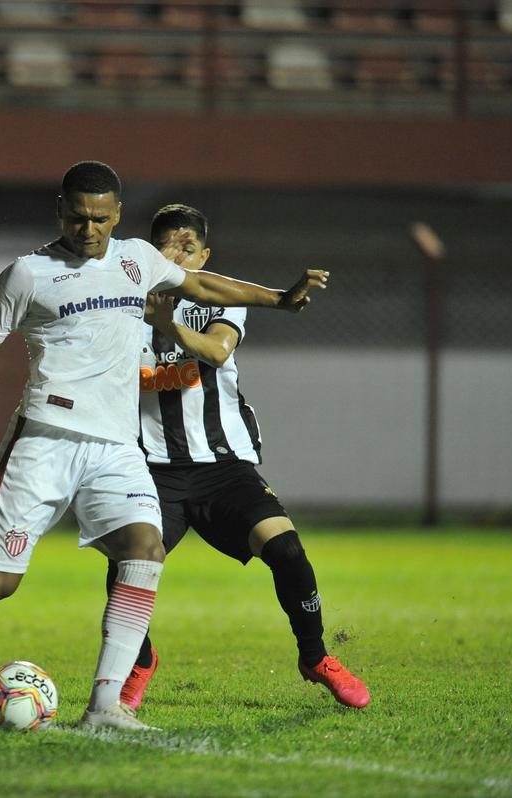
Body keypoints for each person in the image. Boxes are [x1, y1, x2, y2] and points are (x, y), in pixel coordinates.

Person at [0, 162, 328, 731]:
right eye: (79, 217)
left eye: (102, 219)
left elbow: (204, 285)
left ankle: (106, 707)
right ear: (60, 209)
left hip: (114, 448)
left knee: (144, 549)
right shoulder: (27, 275)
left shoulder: (136, 259)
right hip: (44, 441)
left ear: (118, 215)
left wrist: (281, 299)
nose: (90, 229)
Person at [108, 203, 368, 713]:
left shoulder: (221, 300)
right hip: (152, 470)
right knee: (125, 568)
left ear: (204, 256)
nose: (178, 254)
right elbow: (126, 378)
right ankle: (139, 662)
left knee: (288, 552)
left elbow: (218, 352)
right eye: (168, 244)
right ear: (150, 251)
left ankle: (315, 657)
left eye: (189, 246)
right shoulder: (119, 308)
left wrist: (170, 330)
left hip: (225, 467)